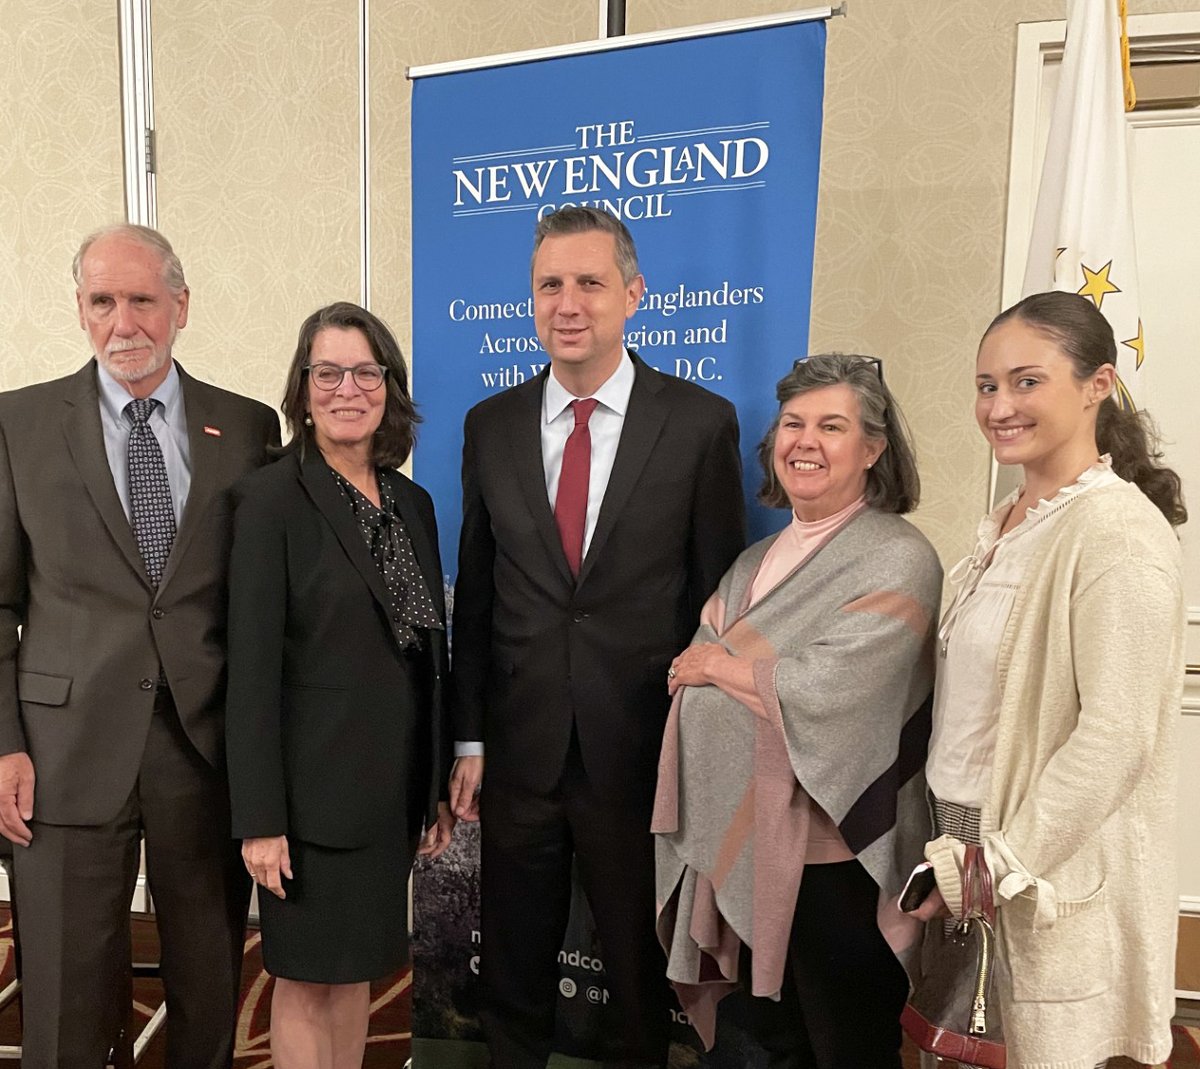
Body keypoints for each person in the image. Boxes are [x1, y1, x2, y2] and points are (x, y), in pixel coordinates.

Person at [449, 206, 746, 1068]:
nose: (567, 303)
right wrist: (468, 734)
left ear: (634, 294)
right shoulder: (490, 425)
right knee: (513, 961)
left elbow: (718, 603)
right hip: (520, 749)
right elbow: (476, 597)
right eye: (550, 284)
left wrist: (700, 746)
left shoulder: (698, 423)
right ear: (531, 300)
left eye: (589, 282)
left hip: (642, 750)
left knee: (640, 965)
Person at [0, 224, 279, 1067]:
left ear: (181, 307)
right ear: (81, 311)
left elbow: (264, 602)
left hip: (207, 752)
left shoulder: (249, 425)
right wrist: (3, 742)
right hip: (61, 752)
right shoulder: (17, 423)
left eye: (143, 299)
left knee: (208, 997)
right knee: (63, 1004)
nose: (124, 321)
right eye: (102, 301)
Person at [913, 291, 1186, 1069]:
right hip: (958, 835)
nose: (999, 405)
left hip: (1032, 858)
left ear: (1098, 383)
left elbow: (1117, 735)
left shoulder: (1116, 530)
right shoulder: (1004, 525)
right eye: (987, 385)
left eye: (1026, 381)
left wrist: (987, 865)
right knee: (952, 1055)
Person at [653, 353, 943, 1068]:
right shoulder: (753, 562)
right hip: (744, 846)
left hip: (838, 859)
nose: (804, 441)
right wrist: (725, 674)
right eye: (793, 423)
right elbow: (684, 679)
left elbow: (830, 690)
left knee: (845, 1045)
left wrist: (725, 666)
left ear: (873, 448)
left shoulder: (899, 559)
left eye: (832, 425)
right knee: (763, 1048)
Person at [225, 301, 454, 1069]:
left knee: (358, 968)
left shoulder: (410, 502)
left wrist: (433, 788)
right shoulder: (269, 500)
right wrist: (260, 816)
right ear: (304, 385)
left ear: (388, 384)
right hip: (307, 799)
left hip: (387, 796)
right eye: (328, 371)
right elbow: (250, 670)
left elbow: (425, 655)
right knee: (305, 979)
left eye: (365, 370)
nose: (346, 387)